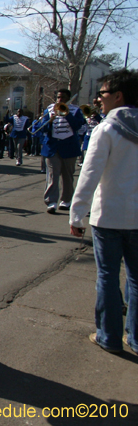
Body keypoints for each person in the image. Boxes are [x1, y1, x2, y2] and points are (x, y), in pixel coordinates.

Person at [69, 70, 138, 354]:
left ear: (118, 96)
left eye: (103, 93)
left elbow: (89, 175)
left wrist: (77, 214)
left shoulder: (106, 129)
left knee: (108, 276)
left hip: (108, 216)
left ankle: (108, 336)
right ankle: (135, 337)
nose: (98, 99)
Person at [40, 88, 86, 213]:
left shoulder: (75, 110)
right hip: (52, 147)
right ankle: (51, 201)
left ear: (69, 98)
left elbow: (78, 125)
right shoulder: (49, 109)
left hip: (69, 147)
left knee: (67, 175)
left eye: (63, 97)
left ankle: (66, 200)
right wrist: (50, 121)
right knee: (52, 176)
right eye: (59, 97)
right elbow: (42, 128)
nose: (60, 100)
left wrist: (67, 114)